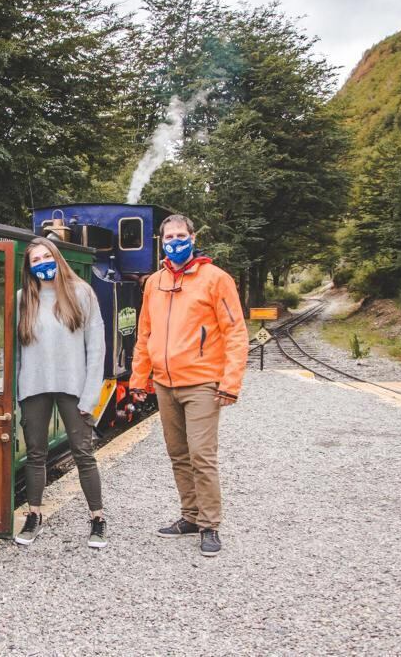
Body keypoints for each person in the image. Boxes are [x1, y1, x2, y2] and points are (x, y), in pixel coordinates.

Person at [129, 214, 248, 558]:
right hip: (165, 383)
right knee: (178, 454)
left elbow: (235, 332)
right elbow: (144, 335)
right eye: (169, 236)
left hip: (202, 383)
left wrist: (230, 381)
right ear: (161, 241)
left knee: (201, 454)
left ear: (193, 238)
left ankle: (210, 524)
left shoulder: (216, 279)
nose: (175, 241)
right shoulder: (154, 282)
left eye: (181, 235)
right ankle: (190, 516)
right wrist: (139, 378)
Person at [14, 238, 107, 548]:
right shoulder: (22, 299)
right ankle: (34, 514)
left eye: (46, 256)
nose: (42, 263)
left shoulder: (82, 293)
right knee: (35, 454)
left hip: (74, 386)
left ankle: (97, 517)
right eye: (35, 260)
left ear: (57, 257)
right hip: (34, 387)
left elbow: (96, 347)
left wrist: (90, 395)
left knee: (83, 453)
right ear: (28, 268)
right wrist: (15, 392)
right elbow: (15, 352)